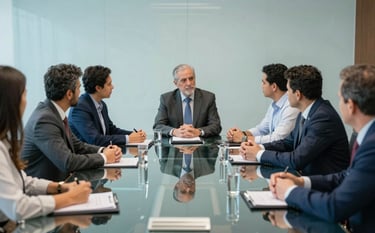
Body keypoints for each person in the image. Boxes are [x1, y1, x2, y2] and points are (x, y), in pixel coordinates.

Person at [269, 64, 375, 232]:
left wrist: (290, 191)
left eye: (340, 98)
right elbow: (347, 175)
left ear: (351, 105)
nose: (337, 103)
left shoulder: (372, 146)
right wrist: (301, 181)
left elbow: (334, 207)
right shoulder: (368, 136)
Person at [0, 65, 92, 221]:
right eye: (24, 94)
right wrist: (70, 197)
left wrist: (60, 187)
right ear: (11, 101)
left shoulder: (4, 139)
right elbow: (18, 208)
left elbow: (24, 182)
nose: (26, 101)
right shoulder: (44, 118)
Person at [240, 65, 349, 175]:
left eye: (288, 90)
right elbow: (288, 143)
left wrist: (259, 154)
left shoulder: (323, 118)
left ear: (298, 95)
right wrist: (259, 147)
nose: (286, 94)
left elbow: (296, 160)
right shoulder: (307, 112)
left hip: (324, 186)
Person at [21, 64, 122, 181]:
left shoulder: (54, 113)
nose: (80, 93)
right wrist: (104, 157)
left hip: (61, 184)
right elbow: (68, 162)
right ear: (69, 94)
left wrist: (103, 150)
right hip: (44, 192)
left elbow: (78, 145)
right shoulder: (44, 120)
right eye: (79, 88)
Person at [68, 65, 146, 147]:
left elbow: (111, 130)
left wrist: (134, 134)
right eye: (109, 84)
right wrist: (129, 138)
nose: (112, 87)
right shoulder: (79, 108)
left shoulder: (102, 104)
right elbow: (95, 140)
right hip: (86, 156)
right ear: (98, 88)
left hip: (102, 154)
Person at [227, 63, 299, 144]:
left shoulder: (291, 107)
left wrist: (244, 138)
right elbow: (261, 129)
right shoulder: (275, 103)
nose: (262, 86)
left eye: (264, 83)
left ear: (274, 87)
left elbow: (278, 138)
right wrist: (240, 134)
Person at [153, 64, 222, 138]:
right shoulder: (166, 99)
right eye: (183, 80)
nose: (189, 83)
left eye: (191, 78)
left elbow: (216, 126)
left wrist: (199, 131)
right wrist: (174, 132)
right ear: (176, 83)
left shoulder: (208, 98)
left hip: (201, 146)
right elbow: (158, 125)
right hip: (175, 147)